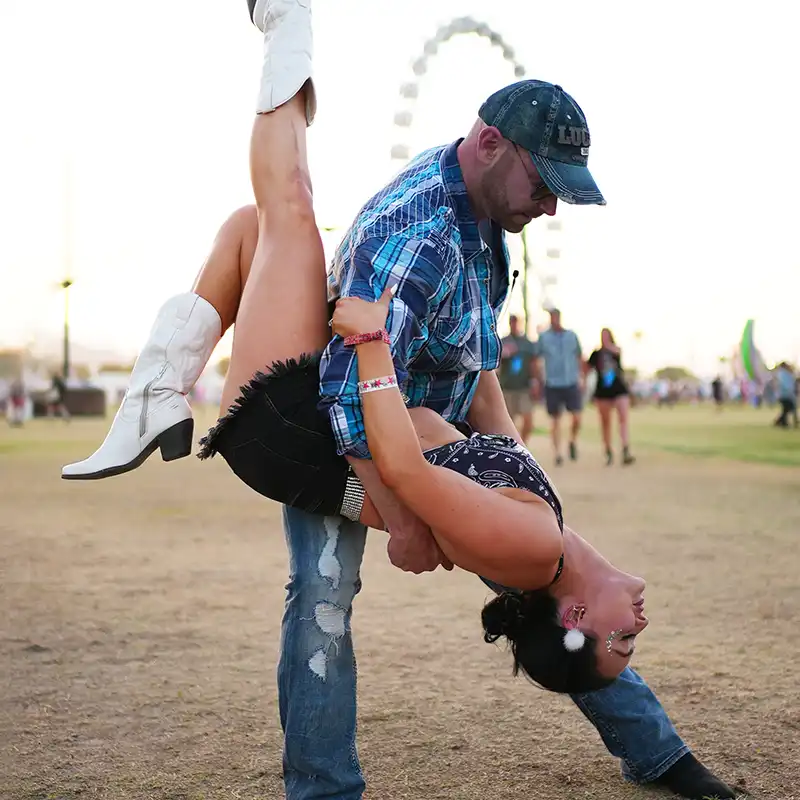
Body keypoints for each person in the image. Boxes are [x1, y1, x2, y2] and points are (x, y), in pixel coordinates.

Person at [61, 5, 735, 798]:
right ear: (489, 143)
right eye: (544, 184)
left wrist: (518, 476)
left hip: (423, 444)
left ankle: (656, 754)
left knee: (562, 587)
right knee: (323, 594)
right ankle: (324, 788)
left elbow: (479, 373)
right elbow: (348, 398)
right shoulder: (415, 235)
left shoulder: (487, 226)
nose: (550, 207)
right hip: (339, 439)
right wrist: (407, 514)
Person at [532, 308, 585, 465]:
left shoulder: (571, 336)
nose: (554, 319)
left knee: (576, 417)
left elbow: (579, 357)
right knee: (555, 419)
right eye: (552, 317)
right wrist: (537, 380)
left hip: (571, 381)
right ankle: (557, 454)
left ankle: (572, 441)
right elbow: (536, 359)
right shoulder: (544, 337)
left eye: (556, 316)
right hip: (553, 383)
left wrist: (582, 377)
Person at [588, 328, 635, 465]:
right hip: (603, 391)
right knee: (605, 422)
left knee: (623, 419)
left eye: (606, 336)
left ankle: (625, 449)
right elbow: (587, 367)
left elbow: (618, 353)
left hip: (618, 388)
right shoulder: (596, 354)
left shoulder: (615, 351)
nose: (604, 338)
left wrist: (609, 347)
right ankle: (608, 450)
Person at [499, 314, 538, 441]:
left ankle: (523, 445)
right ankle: (512, 447)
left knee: (528, 420)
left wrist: (535, 381)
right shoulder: (503, 341)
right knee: (509, 423)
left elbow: (533, 363)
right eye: (512, 322)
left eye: (516, 322)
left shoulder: (527, 343)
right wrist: (504, 353)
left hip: (524, 387)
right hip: (507, 387)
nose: (514, 325)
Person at [774, 362, 798, 428]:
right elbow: (787, 385)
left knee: (786, 409)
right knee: (789, 408)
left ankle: (781, 422)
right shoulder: (783, 374)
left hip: (786, 395)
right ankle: (782, 422)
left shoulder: (785, 373)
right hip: (785, 395)